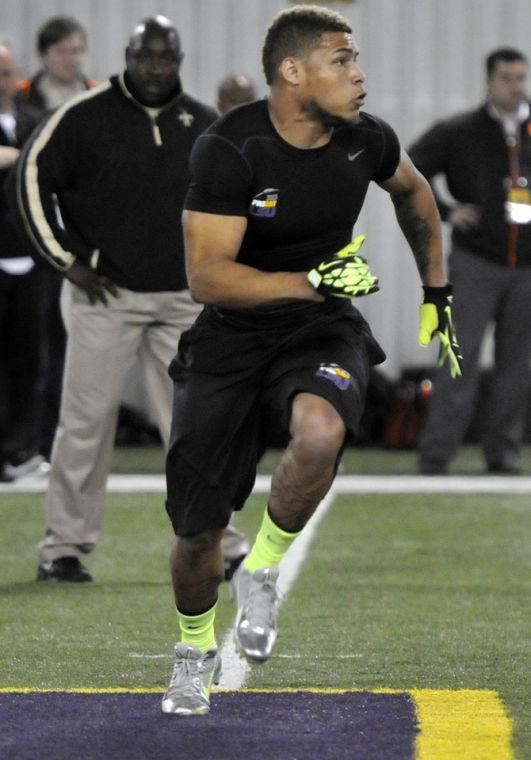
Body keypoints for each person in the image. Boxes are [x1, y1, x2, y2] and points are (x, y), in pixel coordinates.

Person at [161, 4, 462, 716]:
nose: (358, 75)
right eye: (340, 60)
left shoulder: (365, 140)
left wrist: (437, 289)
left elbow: (415, 193)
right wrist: (312, 279)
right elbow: (206, 277)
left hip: (318, 328)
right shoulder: (229, 148)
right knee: (196, 534)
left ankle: (261, 571)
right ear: (292, 72)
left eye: (354, 60)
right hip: (230, 338)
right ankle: (191, 648)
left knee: (320, 433)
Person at [15, 15, 227, 582]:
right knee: (84, 424)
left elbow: (233, 202)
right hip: (104, 298)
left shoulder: (204, 124)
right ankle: (64, 547)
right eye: (145, 58)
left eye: (165, 59)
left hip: (182, 300)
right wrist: (67, 261)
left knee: (194, 426)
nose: (155, 68)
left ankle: (215, 542)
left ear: (178, 63)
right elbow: (32, 177)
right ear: (128, 58)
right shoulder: (83, 116)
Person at [411, 47, 531, 475]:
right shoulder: (461, 130)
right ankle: (437, 456)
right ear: (489, 81)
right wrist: (446, 212)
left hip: (527, 270)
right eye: (507, 79)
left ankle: (503, 456)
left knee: (517, 368)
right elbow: (409, 168)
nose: (516, 87)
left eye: (521, 78)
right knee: (457, 359)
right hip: (476, 263)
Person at [17, 16, 97, 467]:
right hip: (40, 234)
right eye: (65, 51)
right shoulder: (28, 98)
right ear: (46, 55)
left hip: (80, 233)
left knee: (76, 349)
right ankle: (35, 443)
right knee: (39, 346)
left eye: (77, 50)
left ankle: (68, 444)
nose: (73, 59)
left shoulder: (93, 93)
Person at [0, 42, 43, 481]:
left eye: (9, 72)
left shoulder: (31, 120)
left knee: (27, 360)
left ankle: (21, 447)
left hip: (25, 257)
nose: (6, 82)